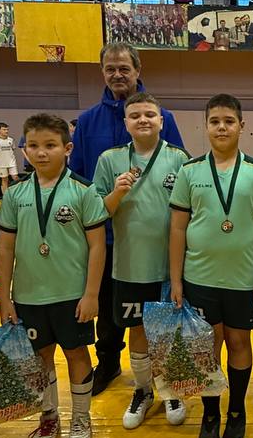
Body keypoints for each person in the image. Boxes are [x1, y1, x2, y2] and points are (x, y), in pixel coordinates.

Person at [69, 41, 185, 394]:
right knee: (108, 307)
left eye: (124, 68)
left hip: (153, 238)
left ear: (137, 70)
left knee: (158, 312)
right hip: (103, 234)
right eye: (110, 69)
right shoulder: (87, 121)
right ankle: (108, 363)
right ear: (102, 73)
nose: (117, 75)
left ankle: (163, 379)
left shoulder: (164, 117)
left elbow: (179, 172)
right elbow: (78, 176)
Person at [169, 94, 253, 438]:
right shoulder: (190, 171)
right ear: (205, 126)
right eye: (215, 121)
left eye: (229, 121)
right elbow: (177, 228)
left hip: (243, 279)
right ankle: (211, 413)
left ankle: (237, 410)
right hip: (199, 278)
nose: (222, 127)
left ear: (241, 126)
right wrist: (175, 279)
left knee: (238, 342)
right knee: (208, 346)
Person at [0, 113, 108, 438]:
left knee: (77, 354)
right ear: (24, 150)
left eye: (50, 145)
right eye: (33, 145)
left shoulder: (84, 190)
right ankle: (48, 417)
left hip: (71, 295)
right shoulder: (15, 194)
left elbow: (97, 246)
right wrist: (4, 299)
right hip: (29, 296)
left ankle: (81, 418)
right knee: (40, 357)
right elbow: (5, 249)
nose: (41, 152)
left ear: (67, 148)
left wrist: (91, 294)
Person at [93, 91, 190, 432]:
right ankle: (144, 389)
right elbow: (97, 212)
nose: (143, 120)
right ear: (126, 123)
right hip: (130, 266)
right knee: (138, 330)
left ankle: (171, 390)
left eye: (150, 114)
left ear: (161, 121)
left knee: (170, 332)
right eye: (135, 115)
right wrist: (117, 192)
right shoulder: (110, 159)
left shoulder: (179, 159)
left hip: (169, 267)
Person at [0, 122, 18, 194]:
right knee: (4, 179)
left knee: (15, 177)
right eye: (4, 129)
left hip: (11, 162)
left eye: (7, 129)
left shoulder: (11, 140)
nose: (6, 131)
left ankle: (19, 193)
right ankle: (5, 196)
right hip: (1, 164)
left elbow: (13, 149)